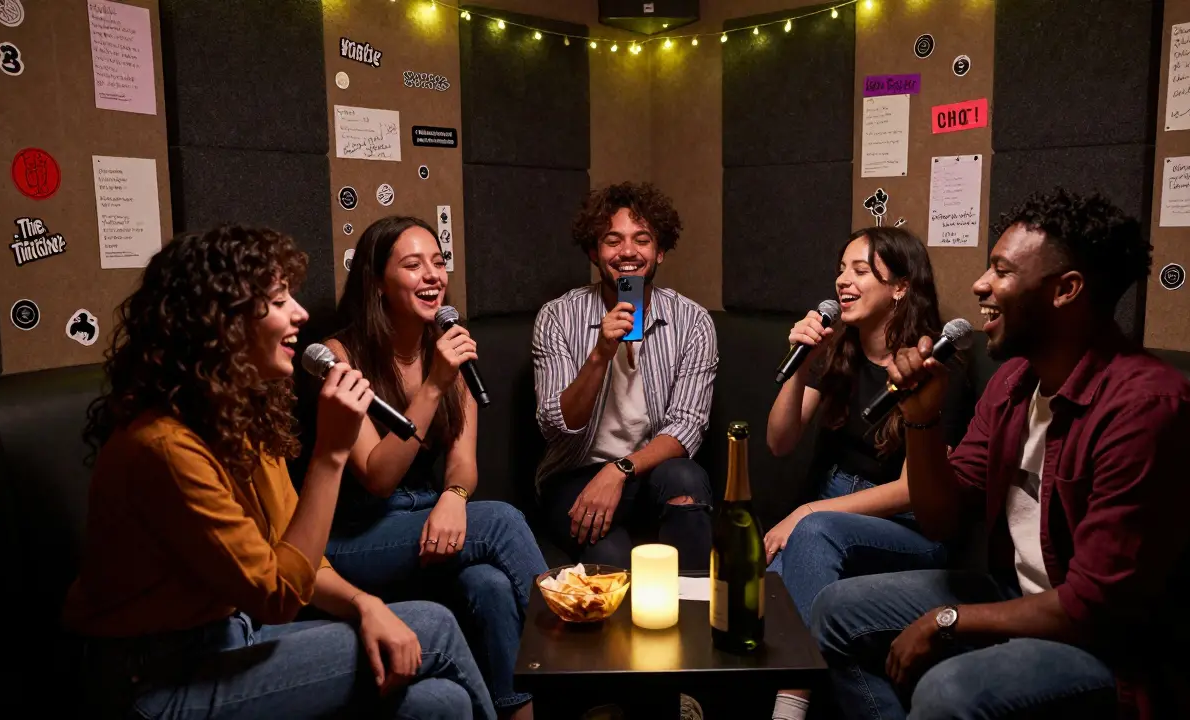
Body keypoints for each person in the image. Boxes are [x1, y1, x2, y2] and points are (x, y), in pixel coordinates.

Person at [810, 189, 1190, 719]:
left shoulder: (1146, 410)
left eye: (1001, 272)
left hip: (1117, 651)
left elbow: (1091, 608)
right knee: (835, 609)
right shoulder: (1013, 384)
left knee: (949, 690)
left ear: (1065, 290)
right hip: (1016, 594)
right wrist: (922, 416)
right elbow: (941, 520)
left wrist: (950, 620)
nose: (979, 285)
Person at [65, 225, 494, 719]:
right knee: (434, 625)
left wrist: (364, 605)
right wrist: (331, 454)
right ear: (221, 323)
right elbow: (279, 596)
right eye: (277, 300)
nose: (301, 313)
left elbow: (301, 554)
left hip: (235, 636)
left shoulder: (239, 416)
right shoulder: (164, 446)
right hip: (155, 678)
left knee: (441, 703)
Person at [323, 215, 548, 719]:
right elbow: (377, 477)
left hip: (425, 513)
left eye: (438, 262)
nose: (433, 275)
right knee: (505, 521)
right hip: (355, 535)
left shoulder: (451, 350)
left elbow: (463, 463)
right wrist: (432, 387)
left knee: (489, 586)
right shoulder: (343, 355)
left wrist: (455, 497)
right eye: (413, 265)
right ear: (378, 282)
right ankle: (578, 652)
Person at [763, 228, 973, 720]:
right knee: (769, 588)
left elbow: (907, 491)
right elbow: (779, 441)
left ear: (900, 286)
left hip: (908, 526)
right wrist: (802, 364)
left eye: (860, 271)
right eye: (841, 269)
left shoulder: (936, 366)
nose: (843, 281)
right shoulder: (841, 352)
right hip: (833, 513)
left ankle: (790, 705)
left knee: (809, 538)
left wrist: (809, 512)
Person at [533, 181, 718, 573]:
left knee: (686, 478)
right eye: (613, 240)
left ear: (660, 251)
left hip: (647, 472)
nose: (629, 252)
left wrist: (619, 470)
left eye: (642, 240)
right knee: (613, 561)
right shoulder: (556, 318)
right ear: (593, 251)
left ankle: (697, 622)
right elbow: (556, 425)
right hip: (575, 475)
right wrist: (601, 351)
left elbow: (687, 427)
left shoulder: (693, 322)